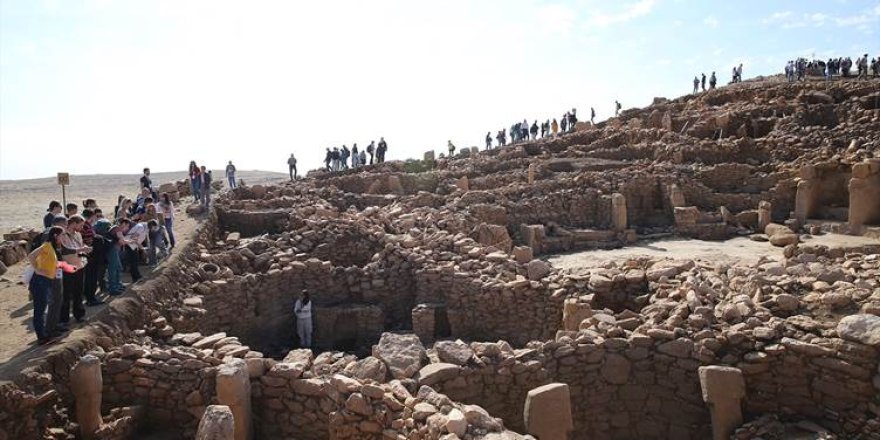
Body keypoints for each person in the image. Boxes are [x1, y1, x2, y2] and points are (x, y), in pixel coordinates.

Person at [27, 226, 65, 344]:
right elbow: (31, 256)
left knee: (43, 307)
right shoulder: (46, 246)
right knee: (39, 309)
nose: (63, 238)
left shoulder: (53, 248)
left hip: (46, 280)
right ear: (55, 235)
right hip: (39, 281)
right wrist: (38, 269)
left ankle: (44, 334)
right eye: (62, 235)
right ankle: (41, 337)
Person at [59, 215, 91, 325]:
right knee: (66, 294)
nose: (82, 228)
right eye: (80, 225)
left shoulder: (78, 234)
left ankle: (79, 315)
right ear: (73, 223)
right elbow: (64, 250)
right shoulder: (62, 235)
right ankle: (64, 319)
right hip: (67, 267)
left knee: (78, 292)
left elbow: (80, 246)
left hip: (79, 265)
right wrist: (81, 249)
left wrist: (85, 249)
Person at [80, 209, 103, 306]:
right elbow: (88, 240)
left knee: (89, 277)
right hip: (91, 255)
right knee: (91, 277)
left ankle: (89, 296)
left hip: (88, 254)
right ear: (92, 216)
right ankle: (91, 299)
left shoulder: (86, 225)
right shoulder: (86, 226)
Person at [105, 218, 131, 295]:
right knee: (113, 269)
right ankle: (113, 288)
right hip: (112, 251)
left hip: (114, 250)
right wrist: (131, 241)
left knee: (118, 267)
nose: (127, 228)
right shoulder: (117, 229)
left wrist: (130, 241)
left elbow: (122, 241)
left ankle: (117, 285)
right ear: (123, 224)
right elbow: (122, 241)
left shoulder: (115, 228)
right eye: (127, 226)